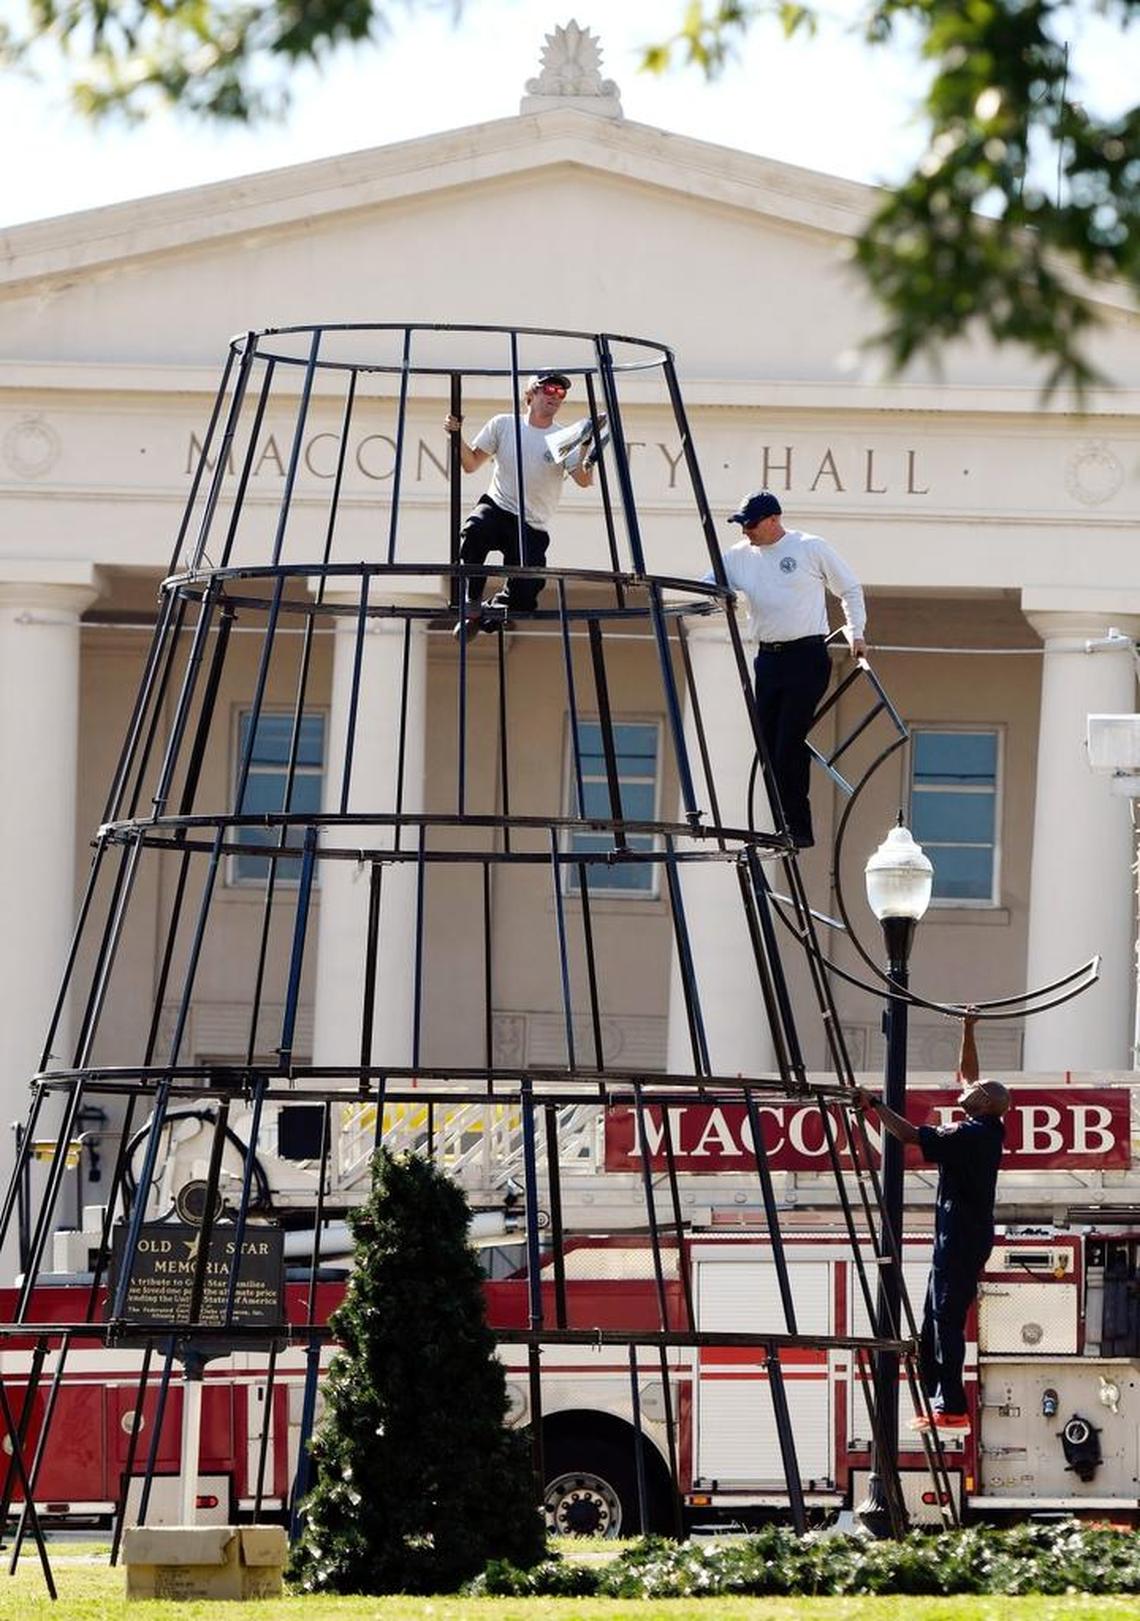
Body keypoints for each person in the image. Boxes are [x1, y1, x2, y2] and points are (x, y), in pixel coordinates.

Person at [853, 1011, 1010, 1431]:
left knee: (945, 1319)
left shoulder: (968, 1135)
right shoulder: (987, 1124)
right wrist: (968, 1029)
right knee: (932, 1320)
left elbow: (907, 1136)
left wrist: (874, 1105)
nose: (968, 1087)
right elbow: (969, 1075)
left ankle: (952, 1407)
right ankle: (939, 1400)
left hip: (959, 1237)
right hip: (960, 1237)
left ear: (987, 1105)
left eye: (977, 1091)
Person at [711, 491, 867, 848]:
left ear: (773, 521)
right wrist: (718, 599)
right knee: (767, 747)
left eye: (750, 524)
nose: (745, 531)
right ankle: (779, 824)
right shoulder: (739, 557)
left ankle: (798, 826)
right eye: (742, 525)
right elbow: (711, 584)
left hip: (805, 657)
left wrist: (857, 633)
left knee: (788, 745)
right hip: (769, 659)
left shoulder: (809, 547)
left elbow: (850, 588)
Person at [446, 370, 594, 635]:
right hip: (499, 506)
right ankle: (472, 600)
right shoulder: (504, 425)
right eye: (548, 389)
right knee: (476, 529)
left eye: (560, 392)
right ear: (530, 394)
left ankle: (486, 617)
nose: (555, 396)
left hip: (532, 524)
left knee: (525, 594)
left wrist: (587, 453)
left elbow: (583, 480)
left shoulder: (563, 438)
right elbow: (470, 464)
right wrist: (455, 436)